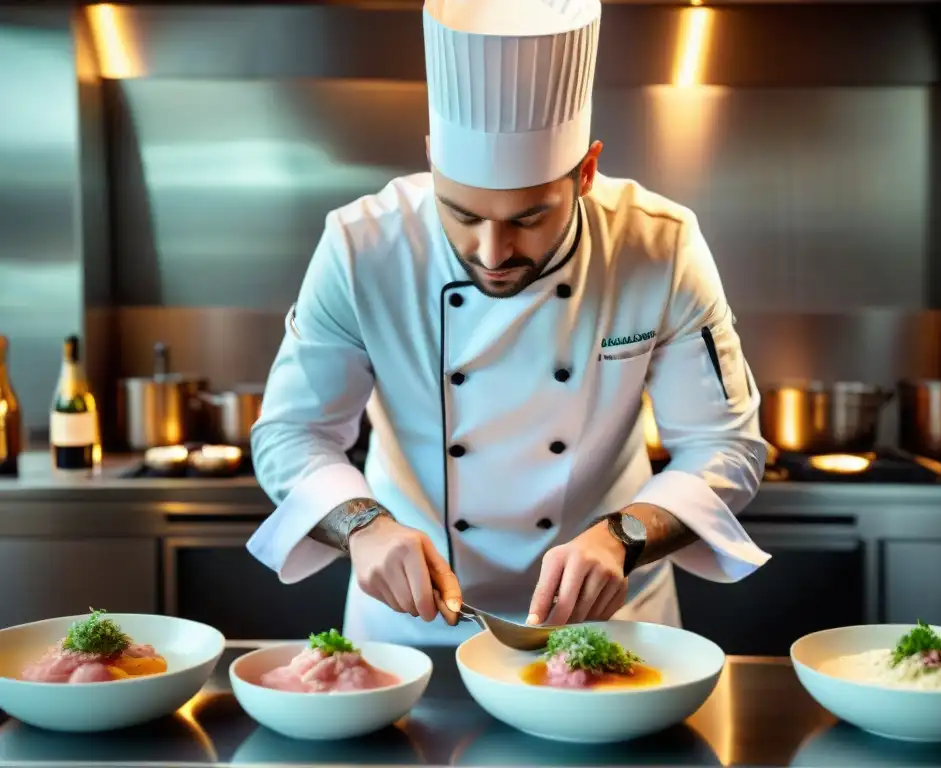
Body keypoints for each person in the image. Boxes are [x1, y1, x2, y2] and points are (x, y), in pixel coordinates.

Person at [246, 0, 771, 645]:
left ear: (585, 172)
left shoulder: (657, 245)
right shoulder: (362, 246)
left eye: (527, 219)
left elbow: (730, 447)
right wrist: (364, 527)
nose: (492, 255)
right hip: (413, 625)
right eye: (462, 215)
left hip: (608, 618)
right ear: (433, 160)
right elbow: (291, 434)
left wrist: (625, 535)